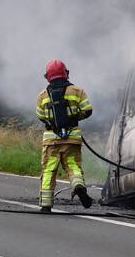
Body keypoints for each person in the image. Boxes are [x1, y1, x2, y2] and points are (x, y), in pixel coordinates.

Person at [36, 59, 94, 212]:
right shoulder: (78, 91)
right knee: (73, 166)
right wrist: (74, 118)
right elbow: (87, 110)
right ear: (65, 73)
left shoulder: (42, 95)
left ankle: (46, 205)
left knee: (49, 170)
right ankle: (78, 186)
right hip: (72, 139)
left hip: (51, 141)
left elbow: (40, 116)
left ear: (48, 76)